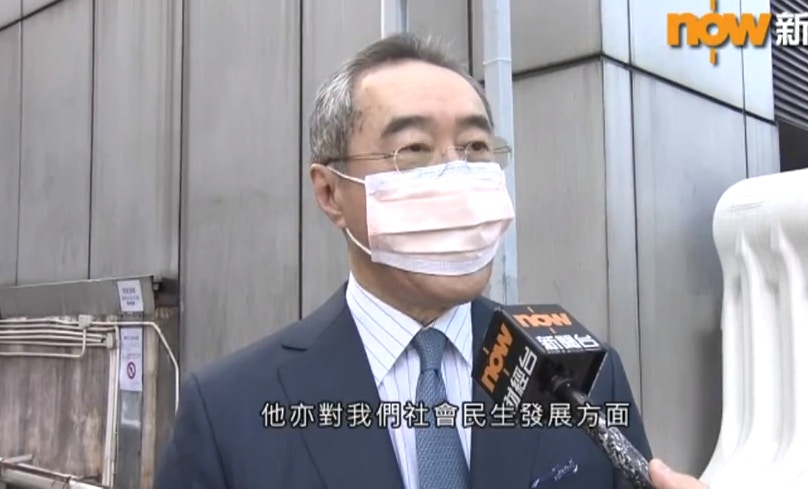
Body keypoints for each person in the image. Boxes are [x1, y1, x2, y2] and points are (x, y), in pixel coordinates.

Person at [154, 33, 707, 489]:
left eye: (476, 148)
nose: (456, 176)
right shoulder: (228, 412)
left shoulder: (583, 377)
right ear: (329, 192)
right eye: (413, 150)